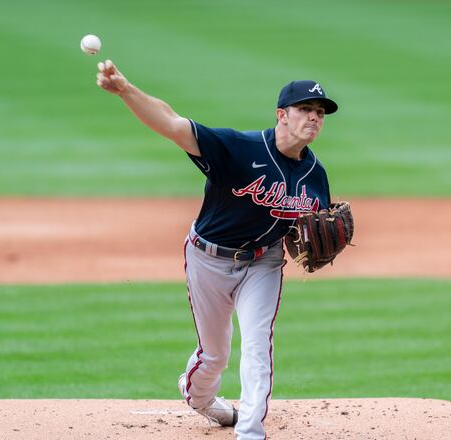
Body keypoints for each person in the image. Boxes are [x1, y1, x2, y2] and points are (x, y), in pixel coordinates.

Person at [96, 59, 338, 440]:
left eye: (320, 112)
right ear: (281, 115)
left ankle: (250, 431)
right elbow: (174, 124)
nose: (314, 117)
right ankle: (200, 396)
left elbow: (313, 226)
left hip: (264, 263)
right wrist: (126, 90)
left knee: (258, 345)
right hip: (208, 257)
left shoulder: (315, 175)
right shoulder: (238, 148)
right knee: (215, 355)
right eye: (305, 109)